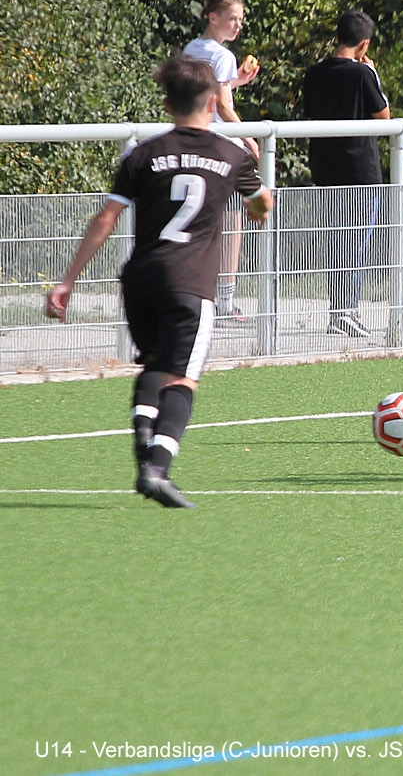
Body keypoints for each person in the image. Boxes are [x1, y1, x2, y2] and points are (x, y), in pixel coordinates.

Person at [44, 56, 273, 508]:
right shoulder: (232, 156)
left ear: (167, 104)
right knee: (183, 379)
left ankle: (144, 439)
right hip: (191, 283)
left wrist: (67, 280)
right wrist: (256, 208)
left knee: (153, 364)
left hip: (141, 279)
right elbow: (262, 202)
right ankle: (157, 468)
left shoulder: (143, 154)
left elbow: (106, 217)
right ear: (213, 103)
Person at [300, 10, 391, 338]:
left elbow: (311, 114)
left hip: (325, 167)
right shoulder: (362, 74)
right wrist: (373, 73)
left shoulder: (314, 73)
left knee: (335, 239)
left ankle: (337, 310)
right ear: (364, 44)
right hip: (360, 170)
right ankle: (345, 311)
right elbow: (384, 118)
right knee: (356, 242)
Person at [182, 0, 261, 321]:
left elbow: (206, 97)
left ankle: (191, 293)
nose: (237, 25)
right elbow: (225, 109)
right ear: (212, 17)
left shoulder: (191, 49)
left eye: (241, 20)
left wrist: (235, 81)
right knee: (230, 220)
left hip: (190, 139)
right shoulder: (223, 55)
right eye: (232, 19)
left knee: (195, 218)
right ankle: (226, 300)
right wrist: (248, 139)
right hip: (218, 145)